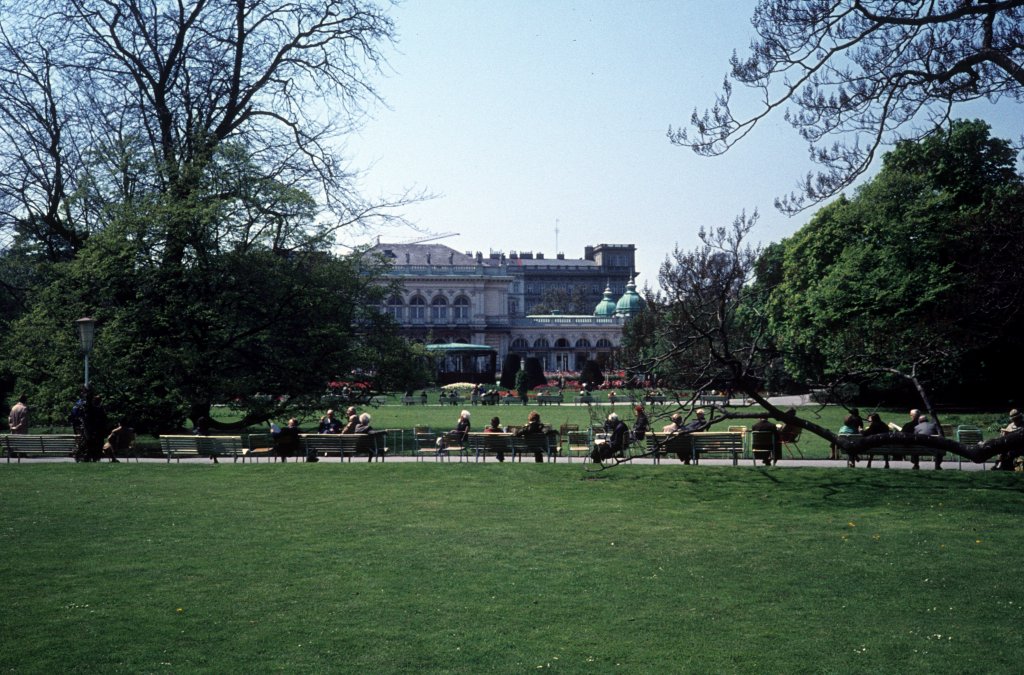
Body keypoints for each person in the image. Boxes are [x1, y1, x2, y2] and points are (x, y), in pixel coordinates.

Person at [83, 394, 109, 462]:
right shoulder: (93, 408)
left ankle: (95, 456)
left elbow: (104, 419)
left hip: (98, 429)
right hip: (93, 429)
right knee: (91, 443)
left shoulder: (99, 408)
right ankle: (90, 456)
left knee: (96, 444)